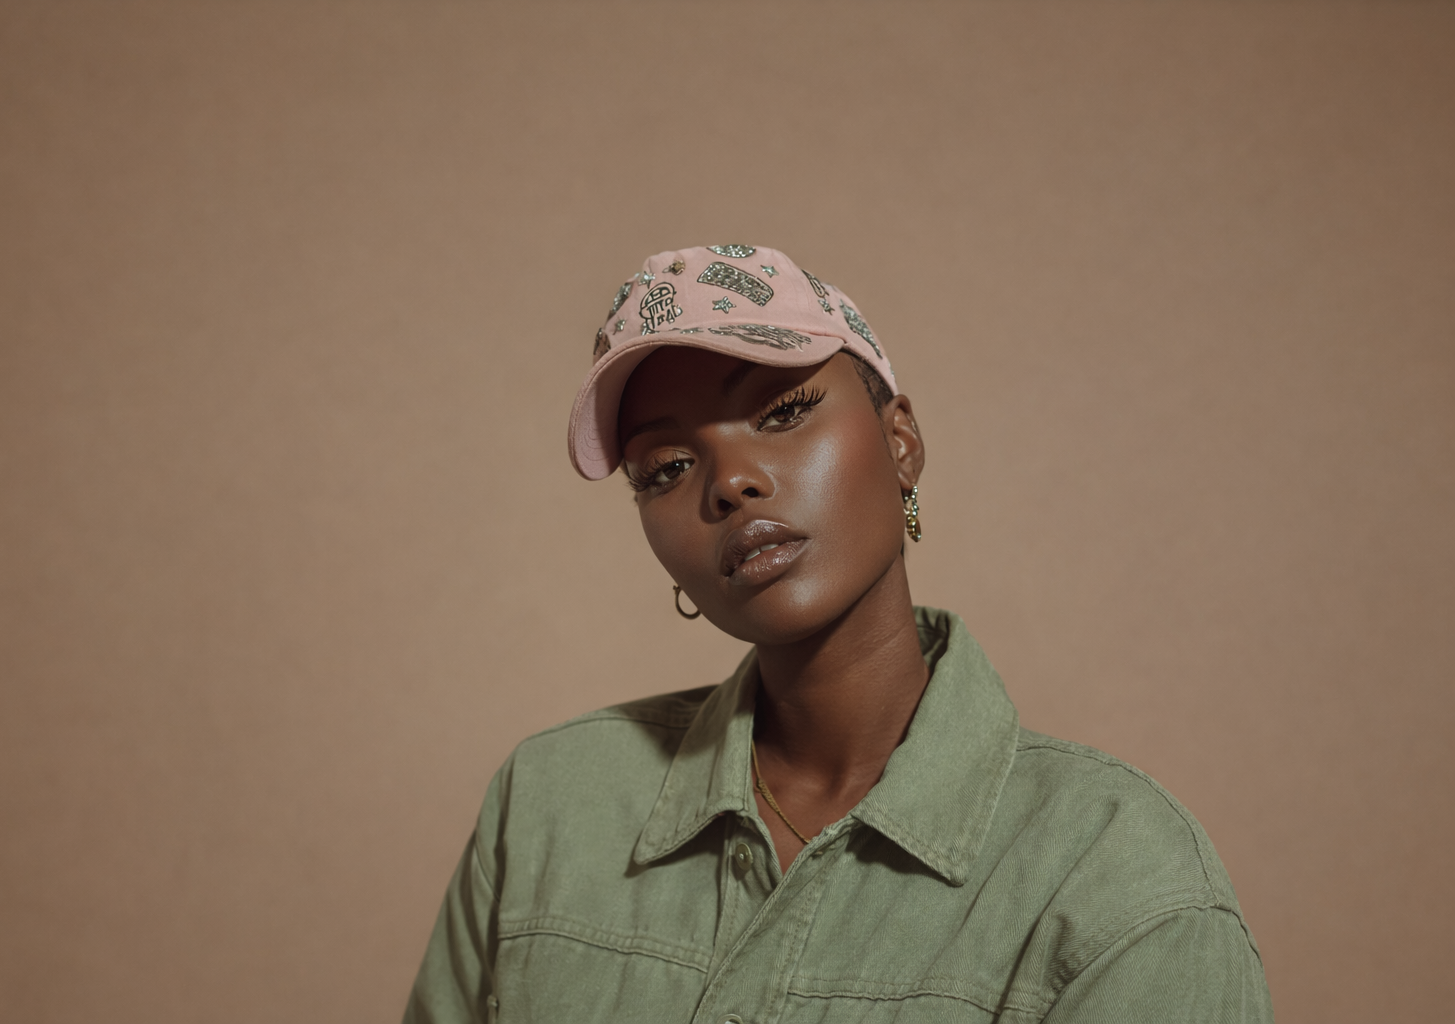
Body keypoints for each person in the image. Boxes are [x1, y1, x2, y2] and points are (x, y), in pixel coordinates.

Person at [403, 245, 1272, 1023]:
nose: (732, 482)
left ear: (901, 443)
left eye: (781, 414)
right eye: (666, 468)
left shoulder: (1115, 875)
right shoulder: (552, 804)